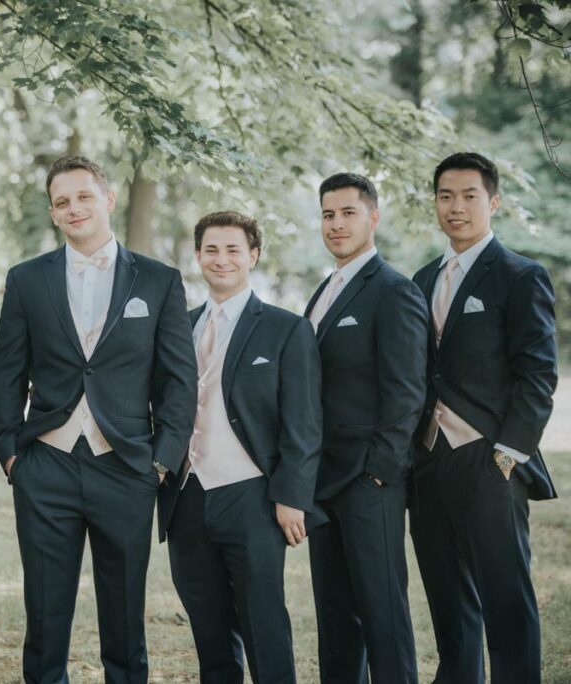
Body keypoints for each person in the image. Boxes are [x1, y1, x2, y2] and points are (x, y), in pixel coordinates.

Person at [0, 155, 197, 684]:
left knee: (126, 619)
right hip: (45, 466)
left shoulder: (158, 280)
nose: (74, 207)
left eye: (84, 196)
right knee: (44, 615)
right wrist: (13, 454)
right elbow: (6, 372)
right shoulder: (26, 280)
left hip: (128, 467)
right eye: (62, 201)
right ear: (54, 214)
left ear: (108, 198)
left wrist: (161, 461)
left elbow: (178, 380)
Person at [410, 152, 557, 684]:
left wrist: (508, 453)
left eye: (470, 196)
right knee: (447, 598)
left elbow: (539, 375)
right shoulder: (422, 279)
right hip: (427, 463)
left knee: (505, 595)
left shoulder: (520, 276)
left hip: (490, 460)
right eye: (446, 196)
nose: (457, 207)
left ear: (492, 201)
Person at [157, 211, 320, 683]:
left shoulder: (286, 329)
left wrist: (291, 496)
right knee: (208, 627)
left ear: (253, 255)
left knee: (263, 621)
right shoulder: (177, 327)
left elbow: (303, 422)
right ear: (197, 257)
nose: (221, 259)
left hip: (252, 495)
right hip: (186, 497)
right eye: (211, 249)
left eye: (233, 249)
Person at [303, 173, 426, 684]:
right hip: (321, 481)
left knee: (383, 615)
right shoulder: (324, 290)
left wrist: (378, 471)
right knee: (336, 618)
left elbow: (407, 392)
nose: (336, 224)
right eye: (328, 214)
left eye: (348, 213)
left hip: (368, 482)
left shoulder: (395, 291)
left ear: (373, 218)